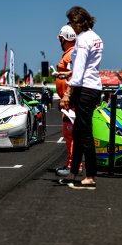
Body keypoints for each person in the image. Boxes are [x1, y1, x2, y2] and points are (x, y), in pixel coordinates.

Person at [59, 6, 103, 190]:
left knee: (84, 133)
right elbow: (88, 66)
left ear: (78, 22)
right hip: (92, 86)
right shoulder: (96, 37)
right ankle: (74, 172)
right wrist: (69, 72)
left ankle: (90, 175)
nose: (71, 26)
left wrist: (67, 93)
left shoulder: (84, 39)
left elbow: (79, 71)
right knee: (78, 131)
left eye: (71, 23)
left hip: (84, 89)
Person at [54, 24, 77, 176]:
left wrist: (67, 97)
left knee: (70, 134)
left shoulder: (70, 55)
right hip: (69, 101)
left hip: (71, 102)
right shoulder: (70, 54)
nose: (59, 42)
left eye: (60, 39)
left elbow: (75, 76)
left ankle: (72, 165)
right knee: (71, 134)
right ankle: (72, 164)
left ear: (65, 39)